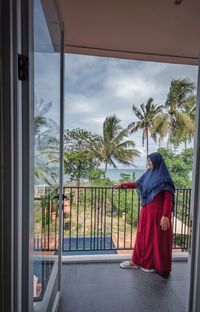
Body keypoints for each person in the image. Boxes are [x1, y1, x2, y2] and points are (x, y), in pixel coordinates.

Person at [113, 152, 175, 278]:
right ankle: (137, 261)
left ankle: (152, 265)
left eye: (150, 161)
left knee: (154, 240)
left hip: (158, 215)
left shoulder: (165, 179)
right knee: (143, 237)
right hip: (146, 212)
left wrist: (165, 216)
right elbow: (137, 184)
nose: (148, 163)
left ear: (157, 162)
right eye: (147, 161)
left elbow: (168, 199)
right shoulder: (148, 174)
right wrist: (123, 185)